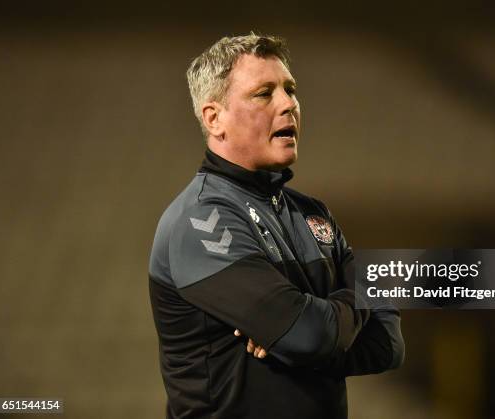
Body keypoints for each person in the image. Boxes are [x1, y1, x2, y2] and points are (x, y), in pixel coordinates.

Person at [148, 33, 404, 419]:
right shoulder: (201, 219)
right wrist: (341, 313)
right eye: (264, 93)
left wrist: (303, 339)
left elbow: (389, 344)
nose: (289, 104)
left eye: (290, 89)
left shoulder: (313, 214)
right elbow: (311, 335)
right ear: (214, 118)